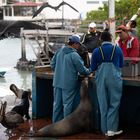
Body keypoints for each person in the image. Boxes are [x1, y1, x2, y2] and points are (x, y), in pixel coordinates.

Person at [50, 35, 91, 123]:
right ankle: (65, 126)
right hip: (68, 83)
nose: (79, 46)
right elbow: (82, 70)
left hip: (57, 82)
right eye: (78, 44)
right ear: (75, 44)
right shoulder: (74, 55)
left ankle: (55, 123)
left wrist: (59, 72)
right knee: (67, 104)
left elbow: (52, 65)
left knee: (57, 104)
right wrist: (90, 70)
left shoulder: (59, 51)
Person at [90, 31, 124, 137]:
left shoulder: (96, 51)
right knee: (114, 103)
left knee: (102, 104)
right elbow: (121, 64)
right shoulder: (117, 49)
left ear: (100, 39)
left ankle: (104, 130)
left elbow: (93, 68)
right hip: (114, 78)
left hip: (100, 78)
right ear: (110, 38)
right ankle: (111, 129)